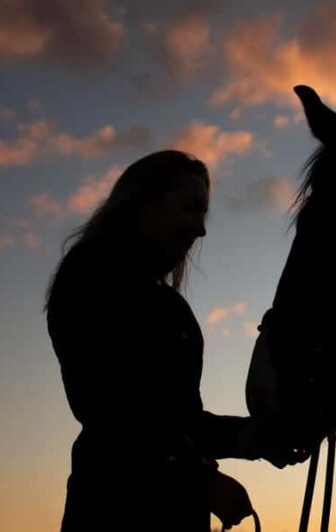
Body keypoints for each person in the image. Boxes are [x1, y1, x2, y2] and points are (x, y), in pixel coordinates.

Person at [44, 150, 304, 532]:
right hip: (111, 512)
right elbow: (107, 408)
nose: (201, 230)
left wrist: (259, 438)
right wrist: (201, 478)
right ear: (145, 204)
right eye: (190, 208)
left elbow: (184, 421)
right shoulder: (87, 277)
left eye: (203, 214)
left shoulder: (170, 306)